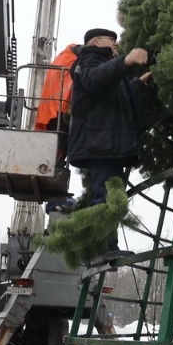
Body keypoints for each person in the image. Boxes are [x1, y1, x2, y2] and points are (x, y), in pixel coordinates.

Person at [68, 28, 152, 257]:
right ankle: (103, 247)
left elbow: (115, 98)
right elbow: (95, 80)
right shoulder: (88, 60)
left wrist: (138, 84)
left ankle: (108, 245)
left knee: (111, 195)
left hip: (107, 142)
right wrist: (126, 61)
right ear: (97, 42)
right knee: (104, 194)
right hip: (100, 143)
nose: (117, 43)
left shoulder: (105, 65)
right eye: (112, 40)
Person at [35, 43, 78, 132]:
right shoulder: (70, 59)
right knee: (61, 136)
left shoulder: (61, 59)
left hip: (52, 107)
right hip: (60, 108)